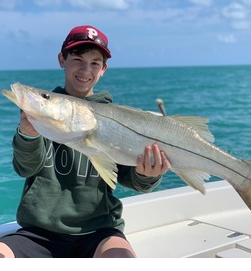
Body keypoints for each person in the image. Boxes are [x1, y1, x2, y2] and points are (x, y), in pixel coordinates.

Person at [0, 25, 171, 258]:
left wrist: (148, 174)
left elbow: (134, 181)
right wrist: (28, 134)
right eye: (78, 59)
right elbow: (25, 168)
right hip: (38, 232)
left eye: (94, 63)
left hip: (100, 231)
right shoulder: (42, 116)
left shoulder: (113, 118)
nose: (85, 69)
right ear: (62, 59)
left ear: (103, 69)